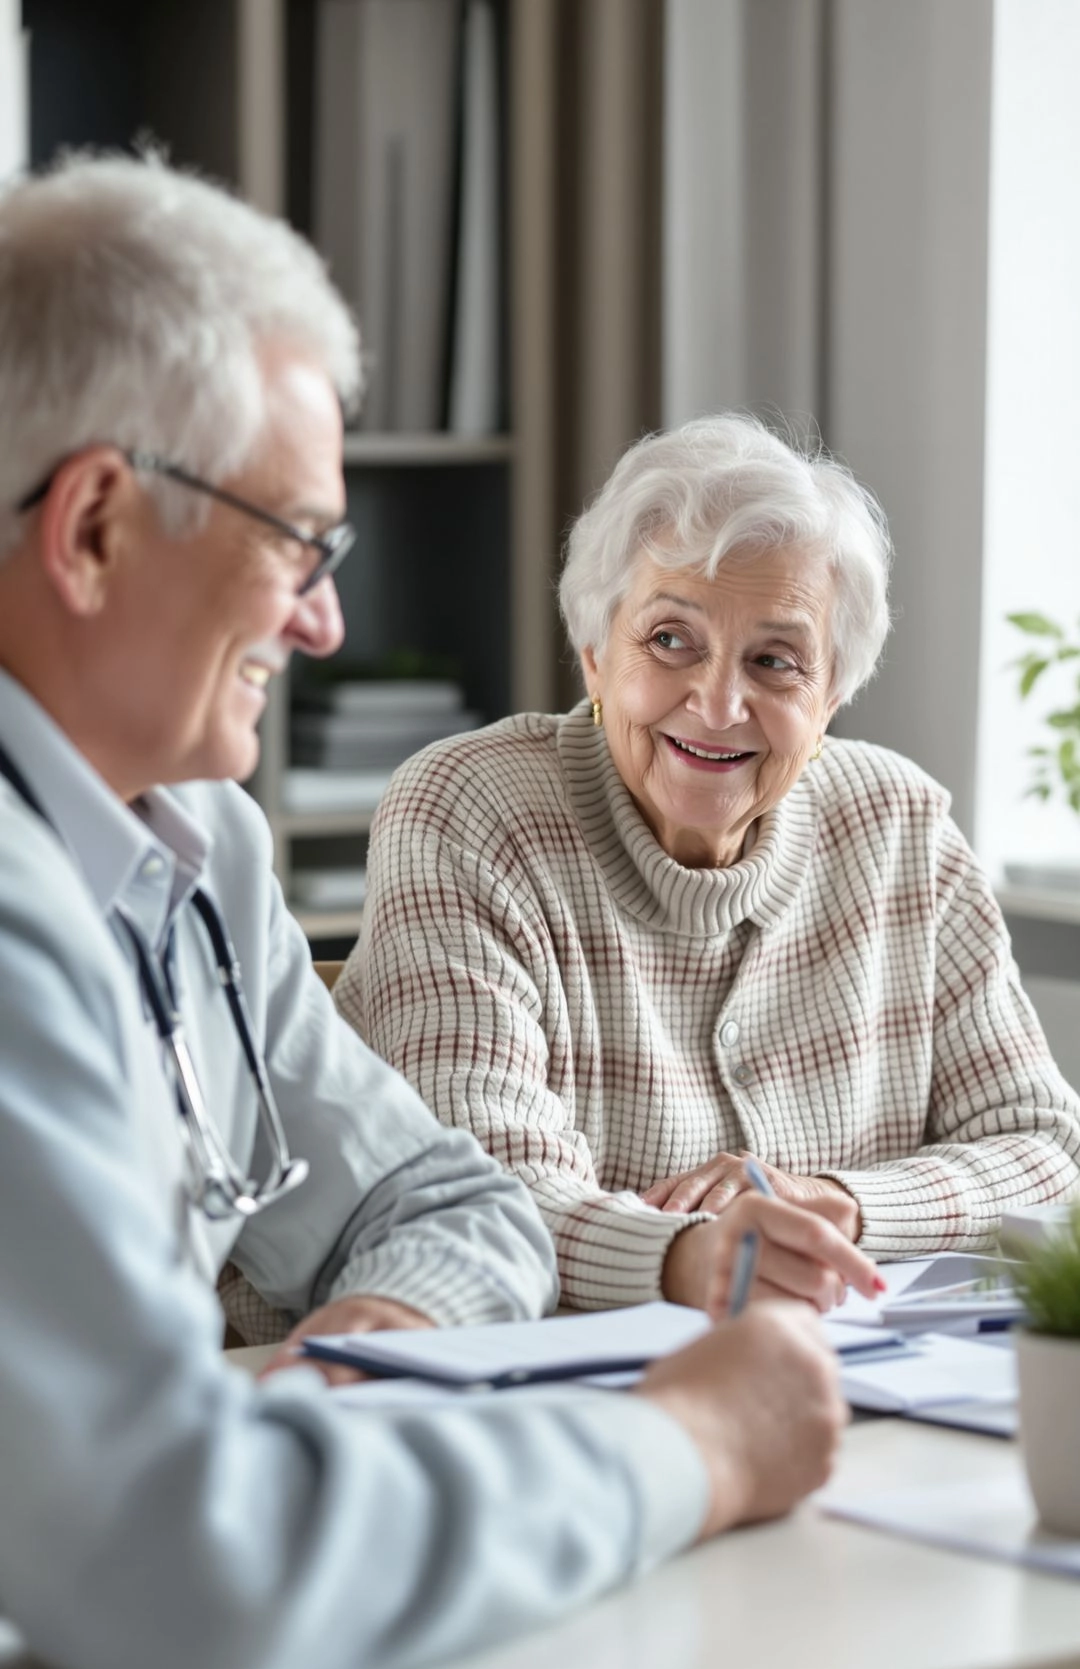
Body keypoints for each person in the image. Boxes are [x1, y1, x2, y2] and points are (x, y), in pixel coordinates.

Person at [0, 156, 960, 1669]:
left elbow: (455, 1205)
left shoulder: (184, 850)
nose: (326, 618)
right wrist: (694, 1445)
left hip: (193, 1661)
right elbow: (169, 1554)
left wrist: (376, 1334)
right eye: (296, 540)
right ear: (91, 527)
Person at [344, 413, 1080, 1318]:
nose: (719, 703)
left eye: (776, 661)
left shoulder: (902, 827)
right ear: (593, 657)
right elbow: (485, 1198)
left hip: (844, 1391)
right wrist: (695, 1258)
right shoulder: (469, 812)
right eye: (669, 641)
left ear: (832, 697)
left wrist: (841, 1206)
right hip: (505, 1393)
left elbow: (1045, 1149)